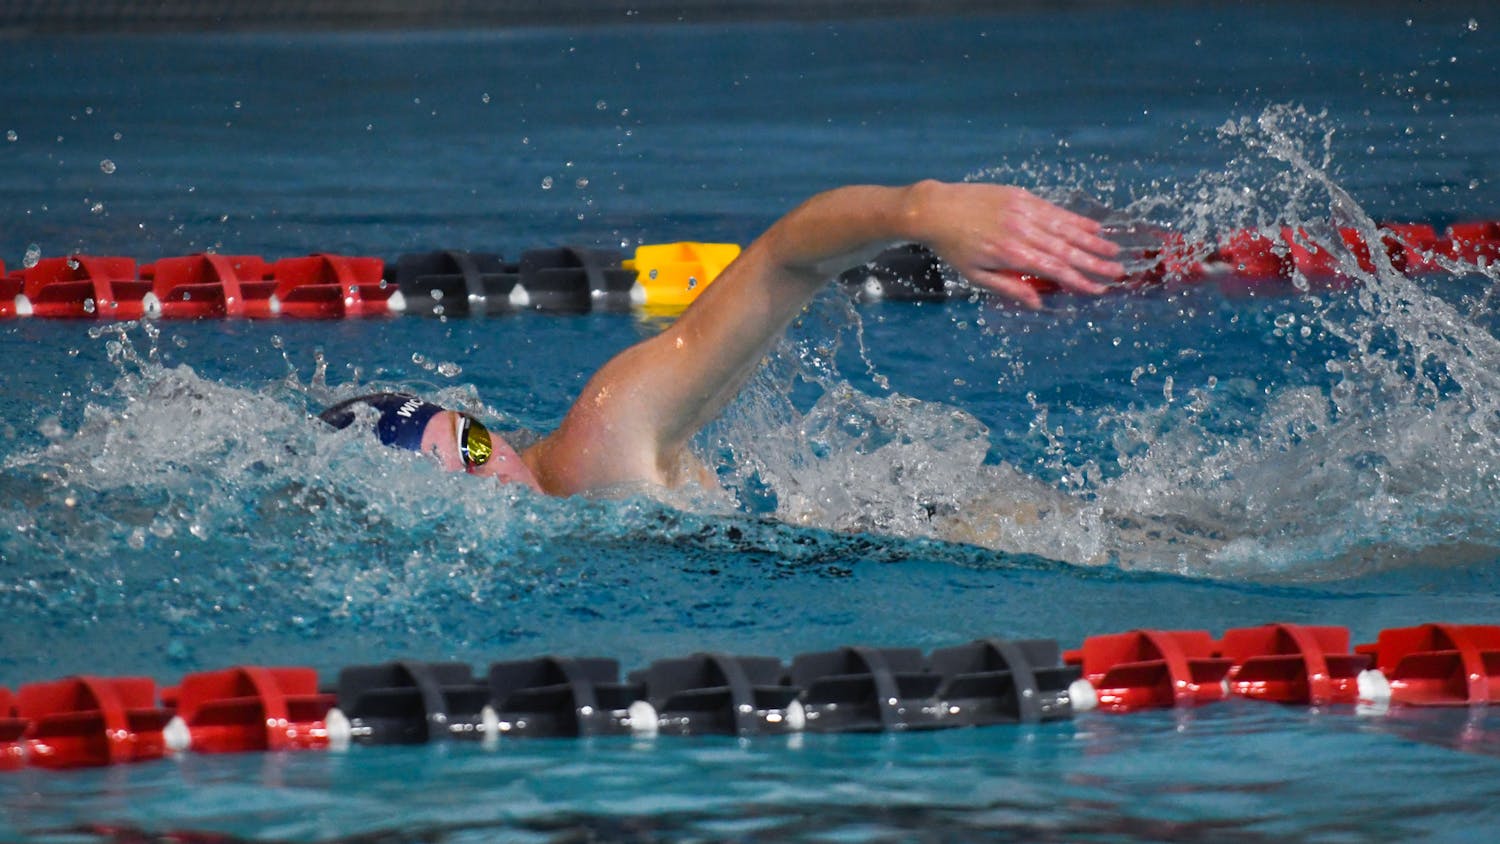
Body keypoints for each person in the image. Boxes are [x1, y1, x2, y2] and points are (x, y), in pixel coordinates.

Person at [322, 181, 1124, 496]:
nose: (487, 470)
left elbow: (784, 258)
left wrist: (918, 211)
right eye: (459, 467)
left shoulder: (604, 438)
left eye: (470, 444)